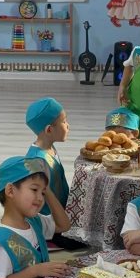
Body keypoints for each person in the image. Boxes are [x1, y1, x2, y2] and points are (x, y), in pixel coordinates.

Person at [25, 97, 84, 251]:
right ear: (49, 130)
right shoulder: (36, 161)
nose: (68, 125)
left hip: (61, 210)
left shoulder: (49, 148)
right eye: (64, 121)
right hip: (49, 218)